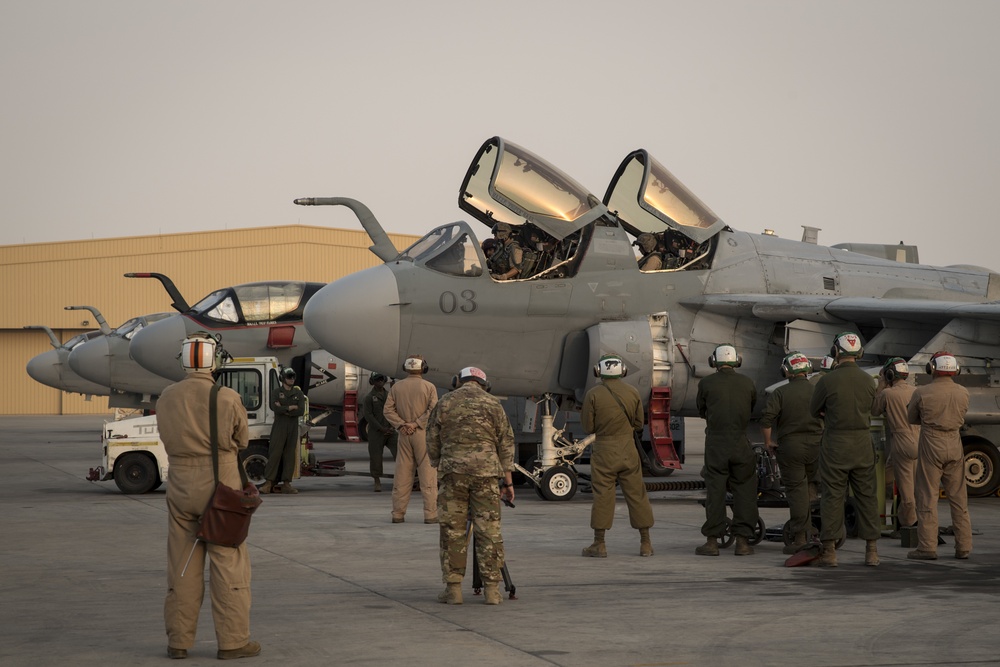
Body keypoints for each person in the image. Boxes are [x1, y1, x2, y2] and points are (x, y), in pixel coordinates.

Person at [155, 332, 260, 660]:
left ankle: (178, 641)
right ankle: (232, 643)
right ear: (214, 361)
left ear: (184, 360)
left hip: (181, 484)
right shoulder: (226, 396)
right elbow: (241, 440)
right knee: (228, 564)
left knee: (182, 565)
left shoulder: (166, 397)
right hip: (221, 486)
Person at [427, 366, 515, 605]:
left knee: (452, 531)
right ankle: (492, 591)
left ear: (458, 381)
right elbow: (506, 443)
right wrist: (507, 481)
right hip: (486, 476)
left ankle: (453, 589)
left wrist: (439, 463)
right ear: (485, 384)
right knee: (489, 531)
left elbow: (432, 438)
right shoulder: (493, 404)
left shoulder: (445, 402)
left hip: (453, 474)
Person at [809, 332, 880, 567]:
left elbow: (813, 410)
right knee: (867, 497)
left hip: (835, 445)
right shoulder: (869, 380)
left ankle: (829, 551)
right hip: (862, 444)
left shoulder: (826, 381)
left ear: (836, 352)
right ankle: (871, 551)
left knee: (832, 497)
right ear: (859, 354)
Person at [580, 354, 656, 558]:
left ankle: (599, 543)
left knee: (603, 496)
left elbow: (588, 426)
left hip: (604, 450)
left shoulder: (593, 394)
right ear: (622, 371)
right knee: (637, 495)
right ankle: (645, 543)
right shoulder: (633, 392)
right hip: (628, 449)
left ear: (599, 371)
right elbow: (639, 424)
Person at [906, 352, 972, 560]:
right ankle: (963, 547)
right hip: (954, 442)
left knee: (927, 496)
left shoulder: (921, 392)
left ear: (931, 368)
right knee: (959, 498)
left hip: (931, 442)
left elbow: (911, 418)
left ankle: (927, 547)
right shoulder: (963, 392)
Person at [695, 344, 759, 556]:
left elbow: (702, 410)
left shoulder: (706, 383)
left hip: (716, 443)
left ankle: (712, 542)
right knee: (745, 491)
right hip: (741, 441)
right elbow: (751, 407)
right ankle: (742, 542)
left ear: (714, 361)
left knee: (716, 491)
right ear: (736, 361)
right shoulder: (748, 382)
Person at [761, 352, 823, 554]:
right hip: (817, 446)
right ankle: (818, 531)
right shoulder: (817, 390)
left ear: (787, 371)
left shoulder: (780, 393)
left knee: (796, 492)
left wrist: (769, 442)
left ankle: (799, 537)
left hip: (791, 447)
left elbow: (767, 419)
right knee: (812, 488)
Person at [384, 354, 439, 523]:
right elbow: (433, 410)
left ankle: (398, 514)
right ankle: (430, 515)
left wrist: (401, 425)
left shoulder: (396, 387)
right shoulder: (429, 387)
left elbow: (387, 410)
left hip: (403, 434)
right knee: (428, 474)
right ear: (423, 368)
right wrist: (416, 424)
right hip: (422, 434)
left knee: (402, 474)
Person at [872, 357, 920, 534]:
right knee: (906, 481)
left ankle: (908, 526)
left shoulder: (887, 394)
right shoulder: (916, 391)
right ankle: (904, 519)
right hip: (919, 440)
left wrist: (881, 383)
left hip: (901, 441)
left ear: (890, 374)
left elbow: (874, 410)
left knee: (907, 491)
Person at [260, 366, 305, 495]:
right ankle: (268, 483)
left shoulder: (298, 393)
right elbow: (275, 408)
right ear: (283, 378)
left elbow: (301, 410)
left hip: (292, 426)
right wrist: (291, 407)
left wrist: (284, 408)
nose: (291, 379)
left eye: (292, 377)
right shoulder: (276, 392)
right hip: (279, 426)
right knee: (275, 453)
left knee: (289, 455)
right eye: (289, 377)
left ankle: (286, 483)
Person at [361, 373, 398, 492]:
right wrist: (381, 428)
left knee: (401, 453)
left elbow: (396, 410)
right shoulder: (369, 397)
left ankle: (402, 478)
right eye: (377, 380)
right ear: (373, 381)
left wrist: (393, 426)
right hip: (376, 431)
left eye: (382, 380)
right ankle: (377, 480)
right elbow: (368, 415)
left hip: (391, 430)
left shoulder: (390, 395)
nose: (380, 382)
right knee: (376, 457)